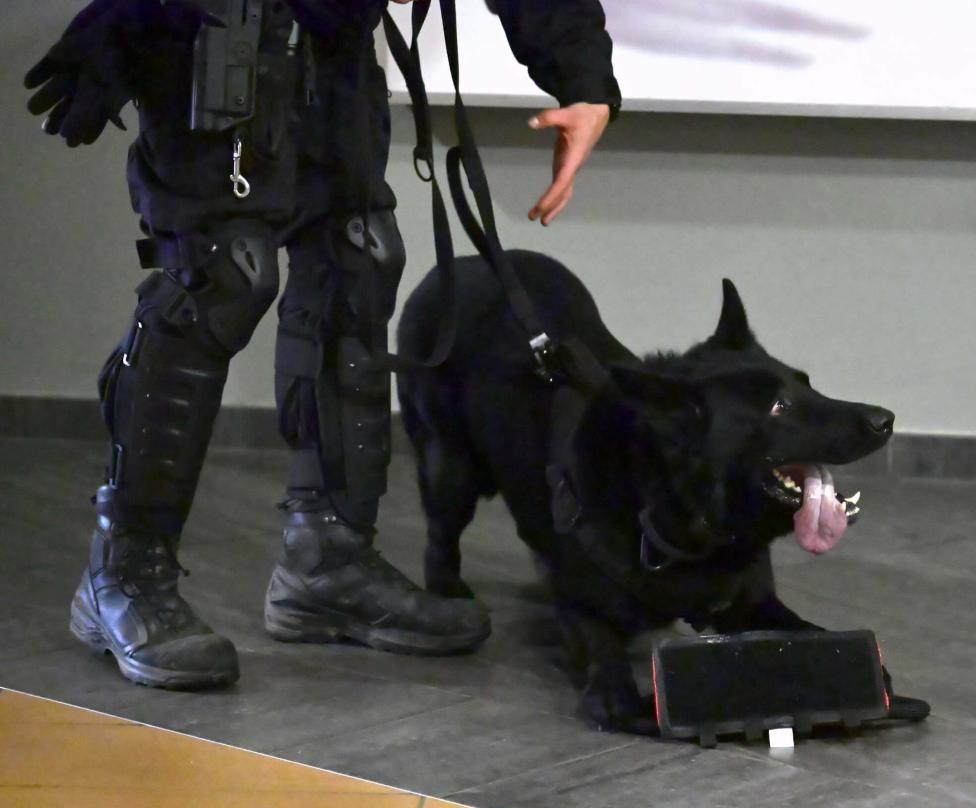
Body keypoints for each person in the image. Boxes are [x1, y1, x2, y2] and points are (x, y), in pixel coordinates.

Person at [24, 0, 621, 690]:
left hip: (334, 50)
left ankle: (328, 559)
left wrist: (582, 75)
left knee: (356, 259)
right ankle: (124, 571)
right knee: (220, 279)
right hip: (213, 35)